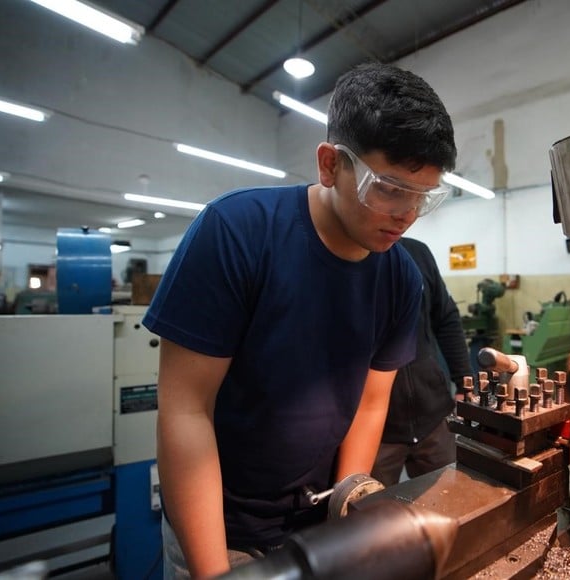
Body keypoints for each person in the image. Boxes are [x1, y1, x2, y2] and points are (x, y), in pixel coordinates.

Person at [143, 62, 457, 578]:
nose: (407, 214)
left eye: (423, 195)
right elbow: (184, 410)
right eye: (390, 189)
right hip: (221, 527)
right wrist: (214, 570)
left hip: (318, 524)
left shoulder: (400, 275)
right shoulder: (237, 232)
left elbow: (370, 402)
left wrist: (350, 495)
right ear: (331, 165)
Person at [371, 237, 472, 486]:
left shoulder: (418, 252)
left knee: (453, 502)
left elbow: (446, 317)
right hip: (374, 432)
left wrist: (463, 382)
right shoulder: (344, 261)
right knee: (372, 518)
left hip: (434, 419)